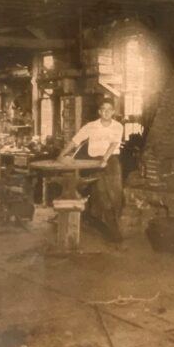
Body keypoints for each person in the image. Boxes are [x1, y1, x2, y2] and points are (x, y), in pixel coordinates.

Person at [58, 99, 124, 242]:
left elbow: (113, 144)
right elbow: (75, 141)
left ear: (113, 112)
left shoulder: (118, 126)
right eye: (103, 109)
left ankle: (115, 226)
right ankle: (113, 232)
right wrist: (62, 154)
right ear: (99, 112)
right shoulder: (91, 126)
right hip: (94, 162)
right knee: (102, 196)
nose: (106, 112)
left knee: (115, 196)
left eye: (109, 109)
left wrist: (105, 159)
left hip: (112, 162)